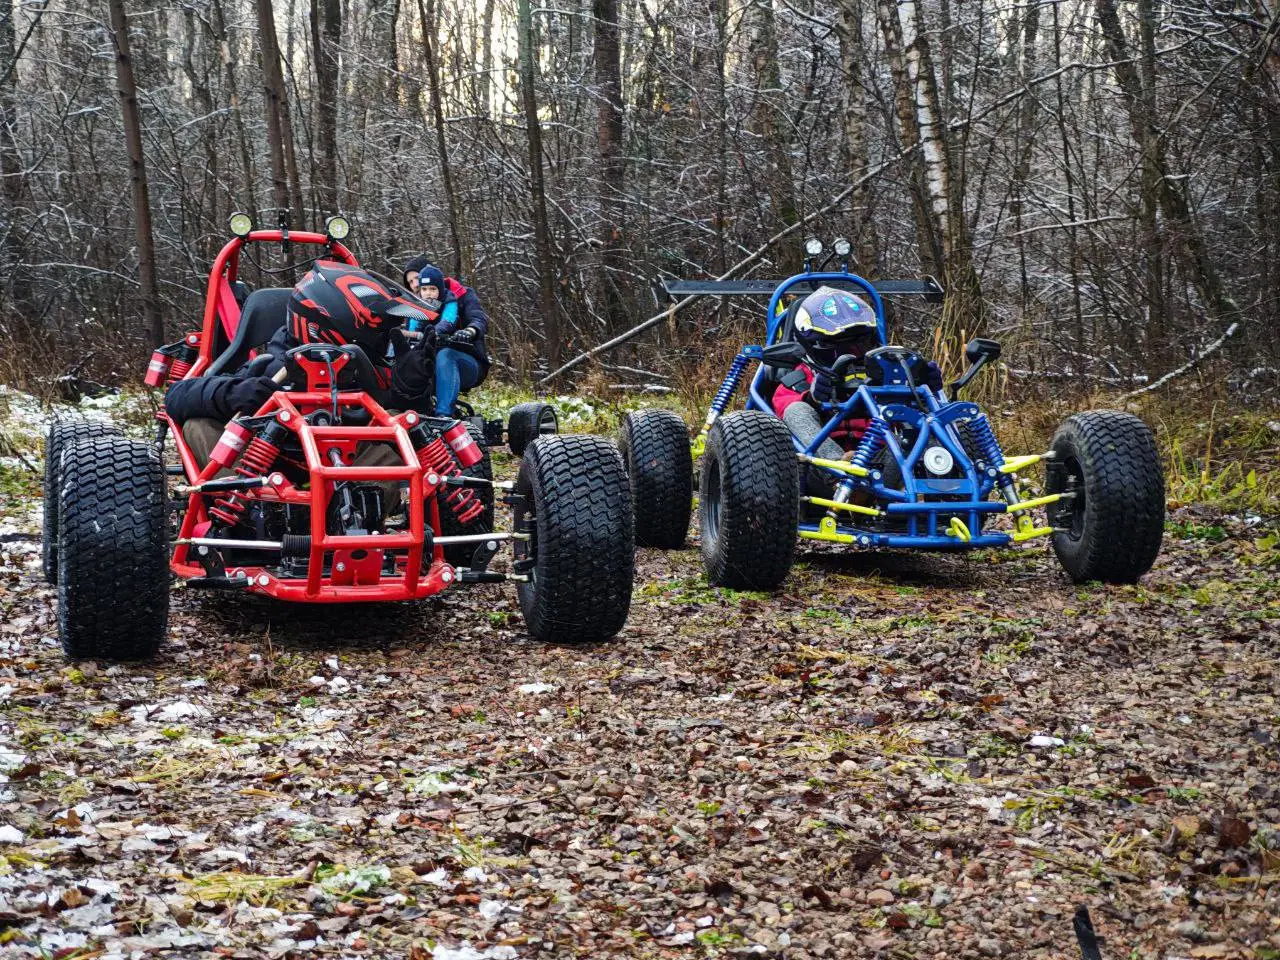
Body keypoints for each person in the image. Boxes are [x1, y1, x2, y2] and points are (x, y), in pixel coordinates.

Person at [166, 262, 439, 508]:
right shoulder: (269, 366)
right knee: (199, 425)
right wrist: (237, 395)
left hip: (343, 469)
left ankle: (352, 522)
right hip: (267, 470)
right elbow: (176, 397)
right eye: (378, 334)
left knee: (401, 427)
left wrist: (412, 391)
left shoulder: (370, 369)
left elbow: (413, 423)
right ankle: (240, 519)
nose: (383, 342)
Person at [402, 256, 491, 416]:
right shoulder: (414, 307)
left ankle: (443, 416)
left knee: (446, 355)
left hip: (466, 360)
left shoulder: (463, 296)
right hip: (427, 360)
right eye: (410, 282)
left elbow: (479, 318)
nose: (415, 284)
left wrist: (470, 331)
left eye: (417, 278)